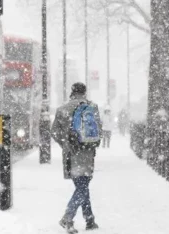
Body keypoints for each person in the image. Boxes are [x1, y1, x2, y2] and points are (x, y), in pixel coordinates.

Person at [51, 82, 101, 233]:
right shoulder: (92, 107)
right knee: (83, 186)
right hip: (88, 153)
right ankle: (72, 218)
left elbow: (54, 131)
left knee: (81, 186)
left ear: (72, 92)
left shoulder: (62, 109)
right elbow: (98, 129)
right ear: (84, 92)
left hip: (70, 154)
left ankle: (87, 218)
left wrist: (66, 144)